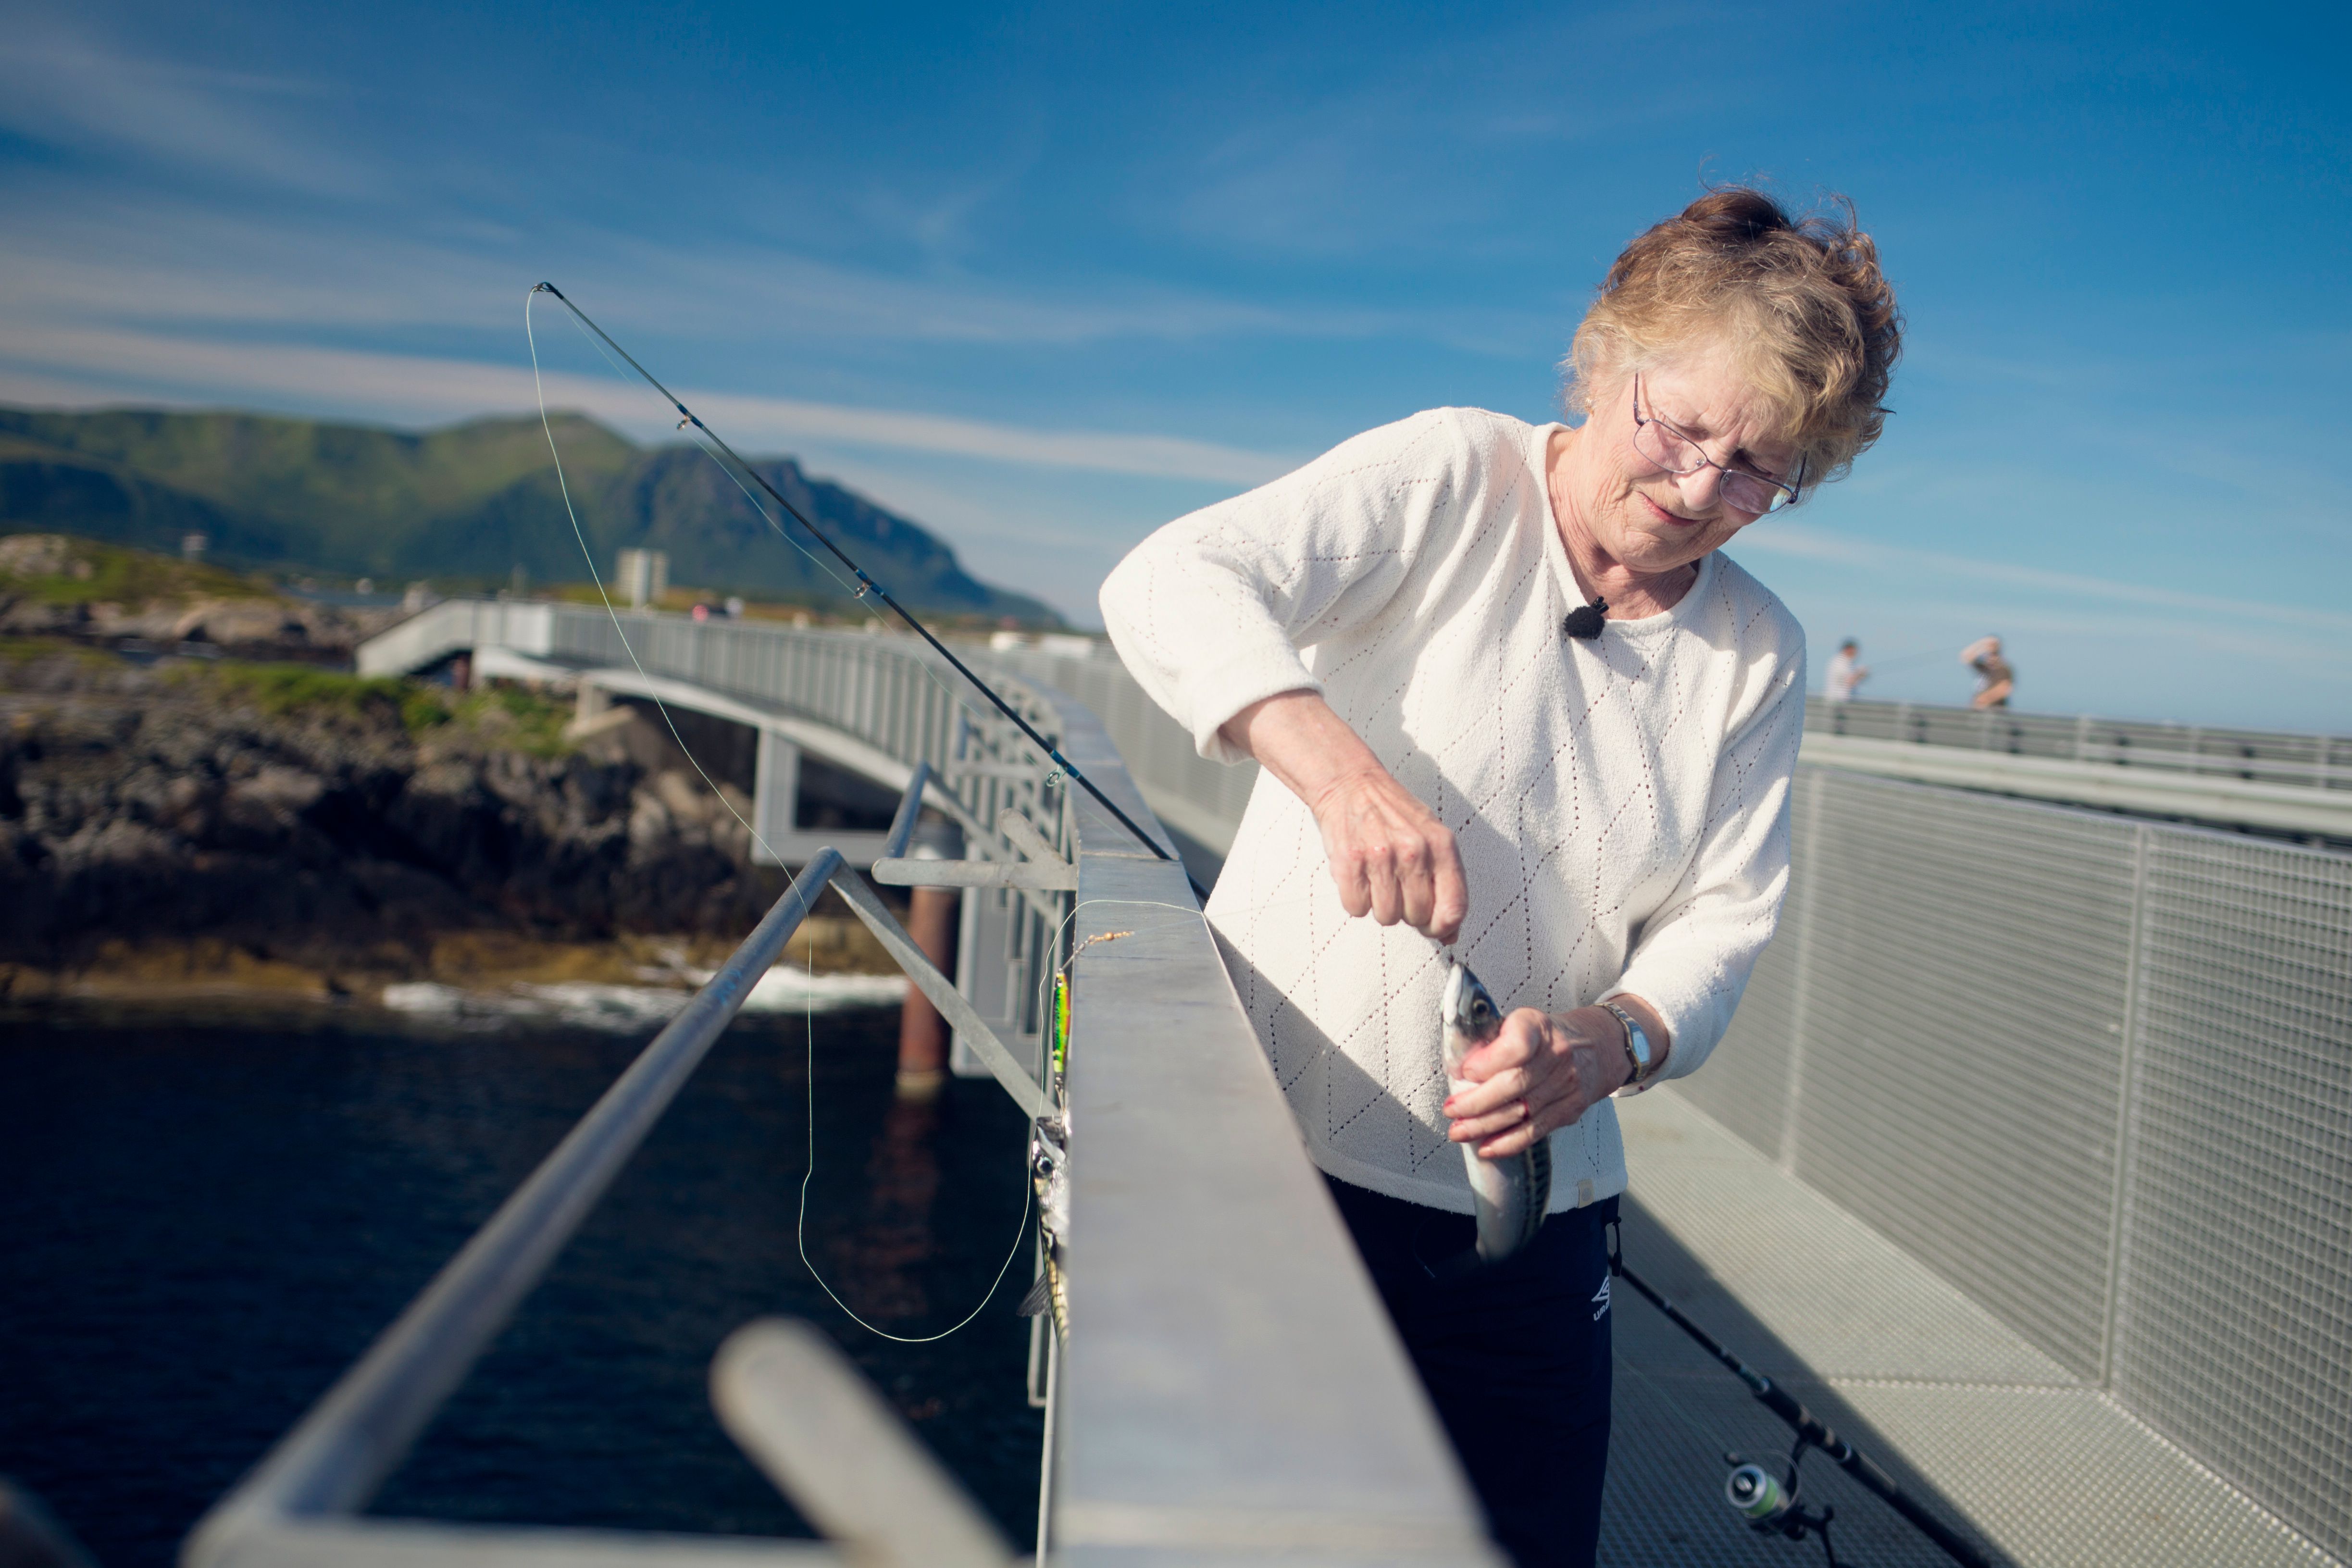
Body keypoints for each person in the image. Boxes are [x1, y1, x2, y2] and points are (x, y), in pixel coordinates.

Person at [1100, 187, 1901, 1568]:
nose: (1698, 489)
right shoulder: (1447, 472)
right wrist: (1333, 770)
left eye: (1757, 470)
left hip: (1538, 1213)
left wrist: (1608, 1040)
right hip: (1276, 1164)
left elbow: (1721, 921)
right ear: (1604, 360)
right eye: (1679, 426)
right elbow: (1170, 577)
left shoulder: (1759, 652)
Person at [1960, 635, 2014, 709]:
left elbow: (2005, 688)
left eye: (1993, 656)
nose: (1990, 658)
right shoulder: (1985, 668)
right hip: (1980, 710)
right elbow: (1966, 656)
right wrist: (1982, 644)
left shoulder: (2003, 669)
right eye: (1988, 655)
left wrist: (1984, 699)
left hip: (1993, 710)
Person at [1825, 637, 1868, 702]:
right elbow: (1849, 681)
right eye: (1854, 650)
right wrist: (1860, 674)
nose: (1856, 653)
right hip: (1837, 701)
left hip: (1843, 701)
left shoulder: (1848, 663)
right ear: (1848, 649)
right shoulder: (1840, 662)